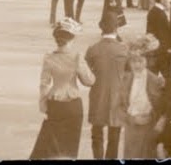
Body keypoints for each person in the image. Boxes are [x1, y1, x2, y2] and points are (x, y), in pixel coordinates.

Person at [30, 18, 96, 159]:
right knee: (70, 148)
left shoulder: (49, 58)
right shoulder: (77, 58)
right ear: (71, 40)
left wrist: (43, 104)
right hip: (73, 106)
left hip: (55, 104)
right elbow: (89, 81)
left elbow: (44, 84)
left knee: (53, 146)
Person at [86, 16, 128, 160]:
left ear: (101, 28)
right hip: (117, 97)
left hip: (98, 95)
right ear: (117, 29)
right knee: (114, 134)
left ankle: (97, 158)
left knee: (96, 133)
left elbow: (86, 75)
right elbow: (129, 74)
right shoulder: (124, 49)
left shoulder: (92, 50)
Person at [118, 34, 164, 159]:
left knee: (148, 155)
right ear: (129, 62)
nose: (137, 65)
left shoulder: (156, 81)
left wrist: (151, 118)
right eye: (134, 61)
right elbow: (118, 106)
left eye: (140, 61)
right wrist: (131, 119)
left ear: (147, 61)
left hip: (149, 127)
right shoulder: (125, 79)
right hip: (131, 126)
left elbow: (161, 107)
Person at [146, 0, 171, 79]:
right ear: (162, 0)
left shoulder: (154, 11)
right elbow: (165, 36)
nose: (170, 1)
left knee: (152, 78)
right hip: (162, 53)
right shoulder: (161, 15)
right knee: (169, 79)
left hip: (153, 51)